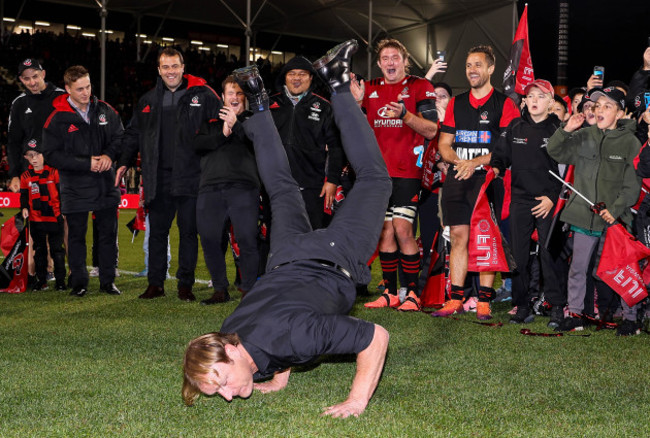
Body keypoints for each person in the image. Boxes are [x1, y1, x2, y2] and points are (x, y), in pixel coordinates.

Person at [182, 40, 391, 418]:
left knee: (375, 178)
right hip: (283, 256)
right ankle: (259, 102)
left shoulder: (300, 336)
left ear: (229, 351)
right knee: (280, 186)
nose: (229, 394)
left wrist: (356, 401)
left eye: (222, 382)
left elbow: (376, 338)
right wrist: (277, 374)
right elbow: (271, 333)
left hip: (331, 256)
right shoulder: (230, 330)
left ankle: (338, 81)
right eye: (221, 392)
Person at [117, 48, 222, 301]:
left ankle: (184, 286)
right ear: (159, 70)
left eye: (175, 66)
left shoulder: (204, 95)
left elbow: (219, 129)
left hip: (191, 176)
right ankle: (156, 284)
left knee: (188, 233)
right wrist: (123, 162)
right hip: (158, 177)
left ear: (183, 67)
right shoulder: (148, 100)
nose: (171, 71)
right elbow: (133, 134)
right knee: (157, 233)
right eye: (166, 67)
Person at [432, 45, 520, 320]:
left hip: (488, 180)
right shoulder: (457, 103)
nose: (472, 70)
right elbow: (444, 143)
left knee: (485, 237)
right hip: (459, 177)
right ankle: (455, 298)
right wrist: (460, 163)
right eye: (469, 65)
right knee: (458, 236)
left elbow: (508, 149)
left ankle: (484, 299)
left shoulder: (505, 104)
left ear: (491, 69)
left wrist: (476, 163)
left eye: (478, 65)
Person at [547, 87, 642, 332]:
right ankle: (576, 314)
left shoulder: (631, 143)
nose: (599, 110)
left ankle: (630, 318)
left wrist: (616, 208)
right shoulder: (584, 135)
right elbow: (555, 152)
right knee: (577, 268)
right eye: (597, 105)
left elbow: (632, 185)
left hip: (615, 220)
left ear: (620, 113)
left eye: (607, 106)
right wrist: (565, 130)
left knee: (621, 269)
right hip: (583, 215)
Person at [354, 38, 438, 311]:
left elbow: (432, 130)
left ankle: (412, 293)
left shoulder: (420, 86)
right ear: (379, 64)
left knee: (403, 229)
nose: (390, 63)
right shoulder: (369, 89)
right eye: (385, 59)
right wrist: (355, 104)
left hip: (408, 172)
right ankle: (390, 292)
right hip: (377, 176)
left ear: (404, 60)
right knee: (384, 233)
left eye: (395, 58)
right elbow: (353, 129)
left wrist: (405, 115)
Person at [42, 65, 122, 297]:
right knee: (76, 237)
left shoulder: (105, 110)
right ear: (67, 89)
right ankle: (79, 283)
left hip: (105, 184)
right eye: (80, 89)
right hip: (75, 186)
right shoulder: (56, 118)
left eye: (88, 87)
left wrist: (109, 156)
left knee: (107, 236)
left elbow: (120, 137)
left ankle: (108, 282)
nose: (86, 92)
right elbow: (51, 155)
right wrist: (86, 163)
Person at [490, 79, 564, 326]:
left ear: (551, 102)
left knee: (548, 254)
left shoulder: (557, 129)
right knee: (519, 256)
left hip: (547, 201)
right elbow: (500, 157)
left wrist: (552, 198)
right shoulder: (514, 127)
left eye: (541, 96)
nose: (534, 100)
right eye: (531, 96)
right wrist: (495, 170)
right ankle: (522, 305)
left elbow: (566, 169)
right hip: (520, 200)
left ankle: (556, 306)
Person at [193, 76, 260, 304]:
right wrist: (223, 132)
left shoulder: (253, 120)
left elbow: (258, 145)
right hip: (210, 188)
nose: (234, 97)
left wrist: (237, 125)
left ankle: (250, 290)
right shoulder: (210, 122)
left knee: (247, 238)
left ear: (245, 97)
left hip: (244, 187)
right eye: (230, 93)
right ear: (222, 97)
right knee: (210, 238)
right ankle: (220, 289)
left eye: (239, 93)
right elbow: (198, 145)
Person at [268, 56, 343, 230]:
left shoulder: (324, 107)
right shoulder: (270, 104)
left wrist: (332, 180)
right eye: (292, 74)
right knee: (276, 237)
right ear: (284, 77)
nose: (296, 78)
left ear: (311, 78)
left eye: (302, 74)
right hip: (275, 185)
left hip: (311, 186)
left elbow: (336, 147)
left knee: (311, 236)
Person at [7, 58, 64, 193]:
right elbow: (13, 142)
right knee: (34, 212)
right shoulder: (19, 104)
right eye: (27, 79)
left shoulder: (63, 97)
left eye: (35, 76)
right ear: (21, 79)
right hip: (31, 173)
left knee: (60, 213)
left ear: (43, 74)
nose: (32, 82)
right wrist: (14, 175)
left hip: (60, 171)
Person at [19, 142, 66, 291]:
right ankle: (41, 281)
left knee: (57, 251)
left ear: (44, 155)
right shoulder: (25, 176)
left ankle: (60, 281)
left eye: (38, 154)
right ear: (26, 157)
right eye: (30, 155)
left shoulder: (54, 172)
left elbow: (61, 192)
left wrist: (63, 210)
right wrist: (24, 208)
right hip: (36, 220)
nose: (34, 158)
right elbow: (24, 196)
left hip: (54, 218)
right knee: (39, 251)